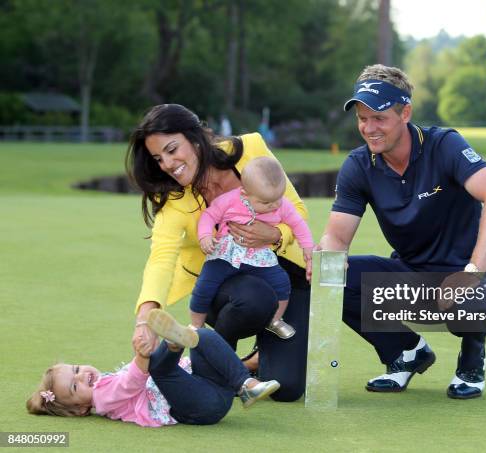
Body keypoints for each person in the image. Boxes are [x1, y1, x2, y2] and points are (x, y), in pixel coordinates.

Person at [316, 64, 486, 399]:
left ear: (405, 113)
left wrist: (472, 272)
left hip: (468, 276)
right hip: (409, 276)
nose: (369, 128)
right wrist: (329, 257)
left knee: (469, 306)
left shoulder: (444, 145)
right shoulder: (359, 164)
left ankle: (472, 357)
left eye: (379, 118)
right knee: (330, 275)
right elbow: (336, 236)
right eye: (362, 119)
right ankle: (405, 352)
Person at [125, 104, 310, 402]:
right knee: (254, 298)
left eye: (173, 150)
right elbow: (161, 257)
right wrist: (145, 319)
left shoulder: (251, 147)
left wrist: (275, 234)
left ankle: (248, 363)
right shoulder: (171, 197)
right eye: (159, 158)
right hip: (221, 284)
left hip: (283, 274)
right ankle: (211, 368)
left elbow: (296, 209)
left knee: (287, 388)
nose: (168, 164)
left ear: (195, 139)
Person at [27, 310, 280, 426]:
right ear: (81, 410)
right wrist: (141, 355)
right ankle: (173, 343)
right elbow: (133, 382)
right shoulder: (103, 399)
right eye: (75, 386)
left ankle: (246, 383)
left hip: (207, 389)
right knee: (158, 369)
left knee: (201, 336)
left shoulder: (107, 381)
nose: (82, 376)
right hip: (200, 409)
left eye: (76, 368)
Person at [193, 156, 314, 340]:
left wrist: (307, 246)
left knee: (282, 282)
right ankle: (196, 324)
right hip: (226, 253)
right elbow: (209, 216)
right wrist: (205, 235)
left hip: (259, 256)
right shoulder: (230, 200)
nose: (274, 205)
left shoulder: (281, 205)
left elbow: (298, 224)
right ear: (245, 194)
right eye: (266, 203)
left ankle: (274, 320)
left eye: (277, 199)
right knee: (205, 284)